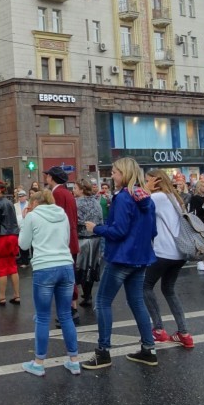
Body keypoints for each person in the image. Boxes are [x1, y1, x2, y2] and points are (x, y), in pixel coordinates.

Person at [82, 157, 158, 369]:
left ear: (124, 174)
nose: (112, 175)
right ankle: (148, 349)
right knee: (137, 302)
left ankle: (103, 352)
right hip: (141, 257)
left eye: (115, 172)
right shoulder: (146, 199)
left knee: (103, 302)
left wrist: (95, 228)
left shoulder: (123, 198)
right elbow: (153, 231)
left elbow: (118, 231)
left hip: (121, 257)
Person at [18, 189, 80, 376]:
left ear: (35, 202)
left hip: (44, 267)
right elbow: (67, 240)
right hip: (66, 266)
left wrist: (24, 220)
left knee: (43, 317)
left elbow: (23, 244)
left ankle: (38, 363)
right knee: (66, 315)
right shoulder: (62, 214)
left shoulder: (32, 216)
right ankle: (74, 361)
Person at [142, 170, 194, 349]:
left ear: (156, 181)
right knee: (169, 290)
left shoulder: (159, 197)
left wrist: (145, 189)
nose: (146, 183)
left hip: (163, 251)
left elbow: (138, 201)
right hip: (180, 252)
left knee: (145, 286)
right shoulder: (174, 197)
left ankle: (158, 329)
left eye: (148, 180)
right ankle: (184, 333)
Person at [44, 167, 80, 323]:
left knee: (64, 278)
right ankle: (73, 308)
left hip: (62, 241)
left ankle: (69, 312)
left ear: (51, 178)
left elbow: (55, 218)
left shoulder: (56, 194)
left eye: (47, 176)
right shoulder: (67, 193)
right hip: (71, 238)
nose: (46, 178)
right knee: (70, 275)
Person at [0, 181, 21, 306]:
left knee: (1, 268)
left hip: (2, 237)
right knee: (12, 266)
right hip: (13, 236)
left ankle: (2, 297)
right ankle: (16, 295)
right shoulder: (10, 203)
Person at [73, 178, 103, 308]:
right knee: (91, 266)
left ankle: (82, 295)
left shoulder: (77, 203)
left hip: (82, 238)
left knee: (81, 268)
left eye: (75, 188)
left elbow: (75, 221)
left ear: (82, 189)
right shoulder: (96, 202)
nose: (73, 190)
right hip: (96, 238)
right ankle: (88, 294)